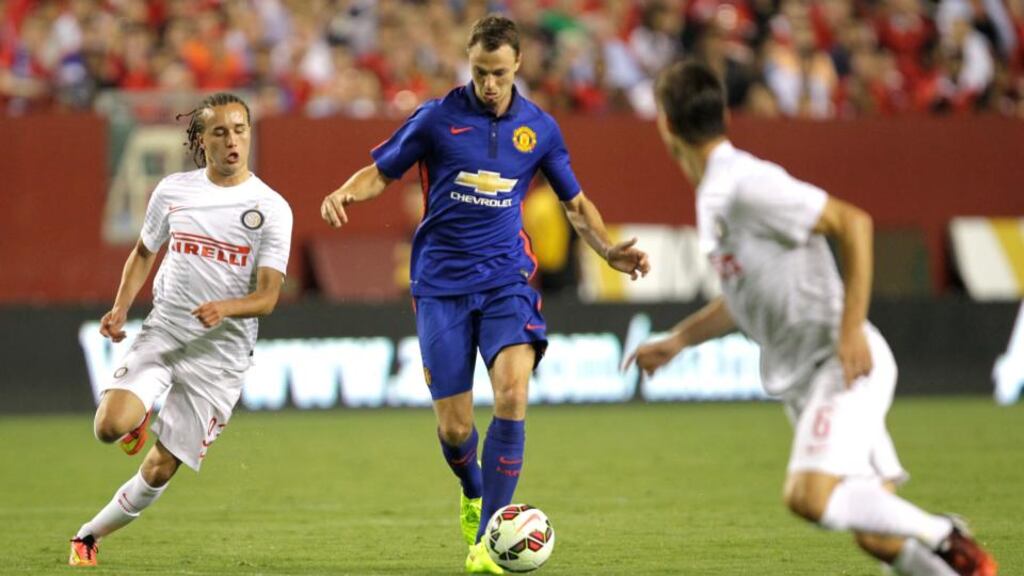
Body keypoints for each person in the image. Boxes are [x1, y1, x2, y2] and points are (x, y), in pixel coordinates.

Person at [627, 60, 997, 576]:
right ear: (725, 116)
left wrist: (851, 329)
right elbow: (744, 296)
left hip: (839, 363)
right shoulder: (714, 192)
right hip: (807, 376)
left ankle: (943, 533)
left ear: (665, 124)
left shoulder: (745, 182)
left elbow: (853, 222)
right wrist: (679, 340)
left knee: (808, 496)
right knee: (877, 534)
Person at [320, 14, 649, 574]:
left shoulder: (539, 129)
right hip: (441, 286)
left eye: (498, 72)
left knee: (512, 395)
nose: (489, 84)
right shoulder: (436, 118)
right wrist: (346, 193)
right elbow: (381, 171)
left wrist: (606, 250)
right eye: (479, 72)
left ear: (517, 64)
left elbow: (574, 203)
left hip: (505, 282)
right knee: (454, 429)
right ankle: (473, 491)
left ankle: (487, 540)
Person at [68, 93, 293, 567]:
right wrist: (120, 307)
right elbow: (143, 252)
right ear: (200, 140)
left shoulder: (272, 208)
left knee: (159, 467)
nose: (232, 141)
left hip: (221, 356)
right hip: (166, 330)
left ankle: (88, 535)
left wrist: (226, 308)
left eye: (240, 130)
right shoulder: (173, 191)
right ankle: (139, 415)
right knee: (109, 428)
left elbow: (269, 296)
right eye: (220, 132)